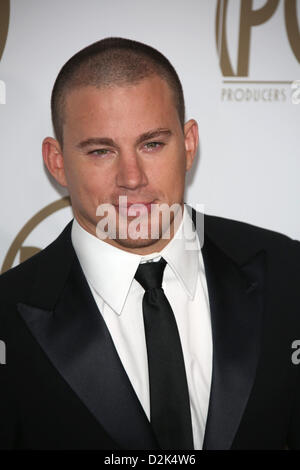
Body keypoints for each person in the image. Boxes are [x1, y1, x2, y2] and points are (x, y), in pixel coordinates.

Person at [0, 37, 300, 451]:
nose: (132, 177)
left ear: (189, 143)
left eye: (152, 144)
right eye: (102, 151)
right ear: (57, 162)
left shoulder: (289, 274)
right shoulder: (6, 317)